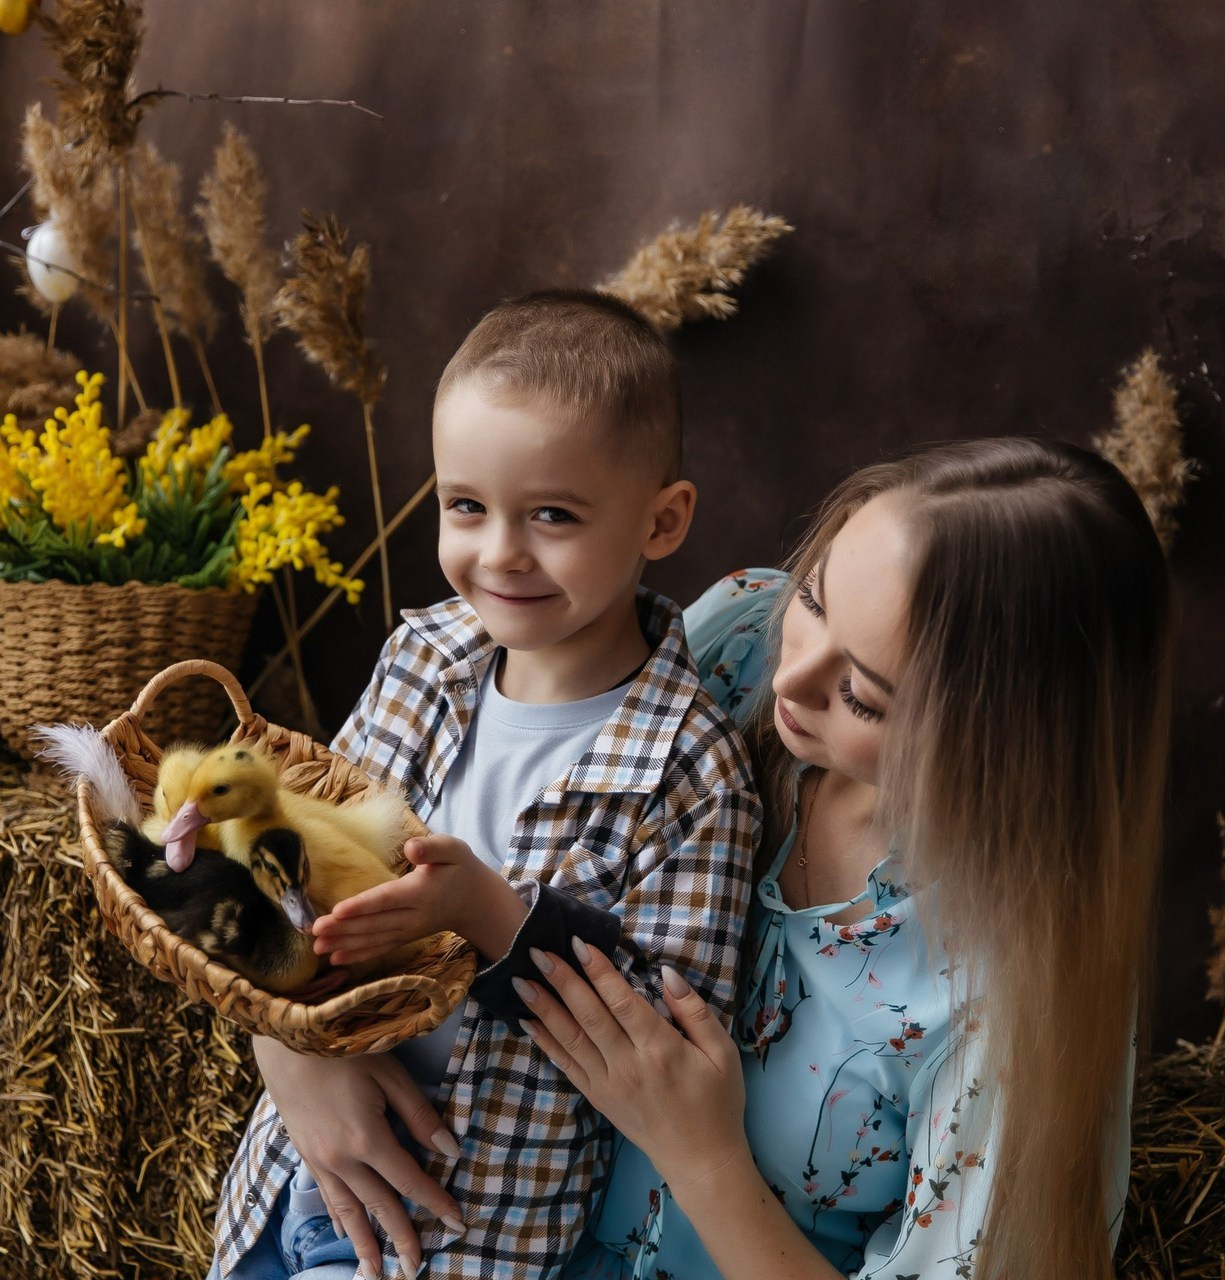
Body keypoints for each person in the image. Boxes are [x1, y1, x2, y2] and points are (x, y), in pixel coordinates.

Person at [514, 437, 1173, 1280]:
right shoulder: (739, 640)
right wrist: (335, 1055)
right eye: (815, 600)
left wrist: (702, 1154)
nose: (790, 681)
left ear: (1003, 746)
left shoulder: (1006, 1000)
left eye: (862, 695)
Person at [206, 291, 761, 1280]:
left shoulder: (692, 771)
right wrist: (285, 1037)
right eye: (465, 505)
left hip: (458, 1230)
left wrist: (485, 911)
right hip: (295, 1165)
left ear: (662, 520)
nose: (499, 552)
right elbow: (293, 861)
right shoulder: (422, 656)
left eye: (552, 515)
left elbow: (670, 1047)